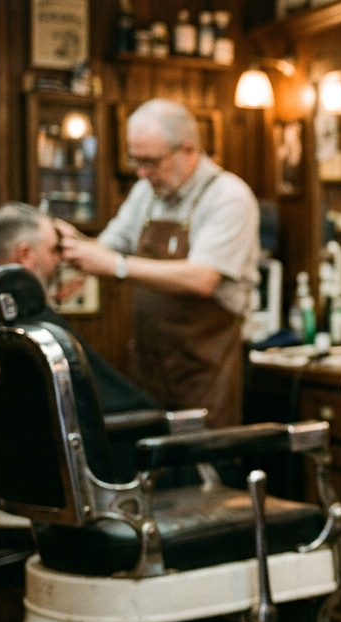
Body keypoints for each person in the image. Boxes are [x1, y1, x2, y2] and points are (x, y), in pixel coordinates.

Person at [0, 203, 155, 523]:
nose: (58, 260)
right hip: (47, 477)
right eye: (53, 250)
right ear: (26, 254)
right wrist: (160, 420)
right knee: (157, 437)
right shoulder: (31, 323)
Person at [58, 98, 259, 428]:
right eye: (136, 161)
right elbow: (106, 248)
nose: (142, 173)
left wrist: (117, 266)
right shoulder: (145, 194)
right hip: (151, 365)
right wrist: (72, 244)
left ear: (188, 149)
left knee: (207, 469)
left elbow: (202, 278)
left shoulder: (228, 196)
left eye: (151, 162)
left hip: (207, 370)